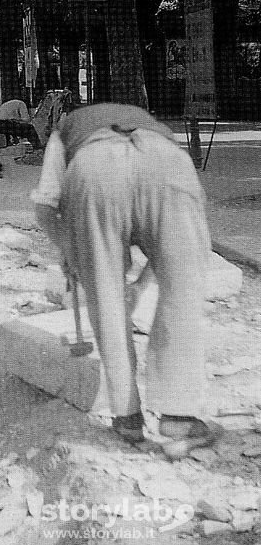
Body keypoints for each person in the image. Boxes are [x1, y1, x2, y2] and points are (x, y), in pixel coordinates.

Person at [30, 102, 214, 452]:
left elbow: (44, 207)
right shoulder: (157, 129)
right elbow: (171, 249)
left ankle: (127, 417)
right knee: (182, 291)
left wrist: (70, 250)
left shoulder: (65, 130)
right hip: (169, 167)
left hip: (96, 170)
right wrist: (143, 286)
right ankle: (179, 419)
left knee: (106, 297)